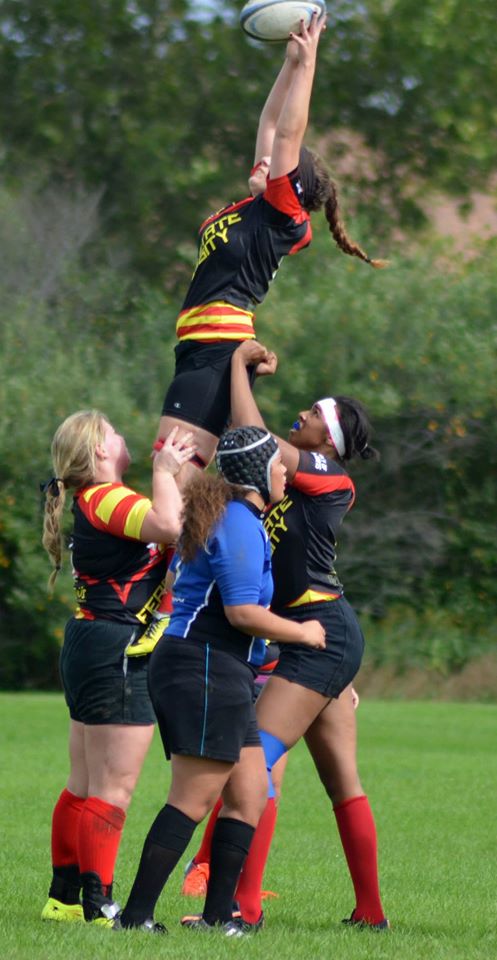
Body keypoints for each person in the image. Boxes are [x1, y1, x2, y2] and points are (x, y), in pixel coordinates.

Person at [129, 12, 386, 655]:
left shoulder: (279, 214)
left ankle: (173, 606)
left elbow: (290, 129)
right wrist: (287, 60)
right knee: (187, 480)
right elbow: (271, 125)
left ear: (290, 184)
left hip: (216, 347)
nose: (267, 156)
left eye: (278, 164)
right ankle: (198, 600)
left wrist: (311, 60)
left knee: (173, 475)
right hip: (198, 348)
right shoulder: (251, 206)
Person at [117, 426, 326, 935]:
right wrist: (305, 633)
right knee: (193, 797)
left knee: (251, 793)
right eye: (278, 464)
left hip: (219, 667)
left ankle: (217, 919)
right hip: (203, 664)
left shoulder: (237, 517)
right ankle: (136, 916)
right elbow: (241, 612)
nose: (284, 471)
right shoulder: (236, 520)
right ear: (258, 472)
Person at [217, 340, 389, 931]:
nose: (306, 415)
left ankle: (243, 909)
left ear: (329, 438)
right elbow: (249, 447)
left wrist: (239, 366)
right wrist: (244, 377)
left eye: (316, 413)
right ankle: (370, 915)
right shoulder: (290, 476)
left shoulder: (330, 476)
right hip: (319, 636)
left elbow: (257, 442)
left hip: (320, 636)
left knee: (252, 764)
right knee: (341, 780)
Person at [40, 411, 194, 925]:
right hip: (117, 646)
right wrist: (164, 471)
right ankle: (98, 902)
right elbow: (170, 525)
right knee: (114, 787)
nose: (121, 436)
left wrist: (174, 476)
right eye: (113, 432)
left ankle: (63, 899)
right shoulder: (109, 496)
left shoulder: (96, 499)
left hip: (90, 640)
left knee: (84, 781)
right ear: (100, 452)